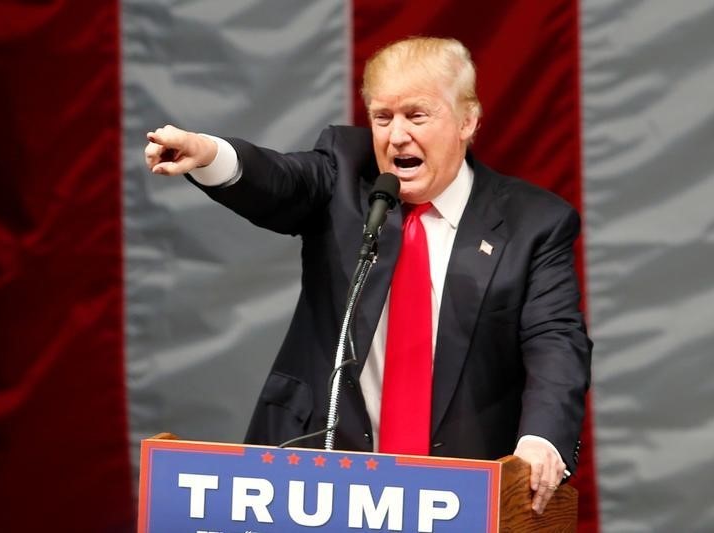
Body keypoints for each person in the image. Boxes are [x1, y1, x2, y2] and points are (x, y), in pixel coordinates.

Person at [144, 36, 591, 515]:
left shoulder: (533, 224)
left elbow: (555, 340)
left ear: (468, 121)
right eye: (383, 117)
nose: (396, 136)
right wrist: (210, 153)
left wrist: (542, 440)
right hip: (317, 483)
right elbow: (279, 181)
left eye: (417, 116)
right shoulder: (346, 174)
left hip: (460, 492)